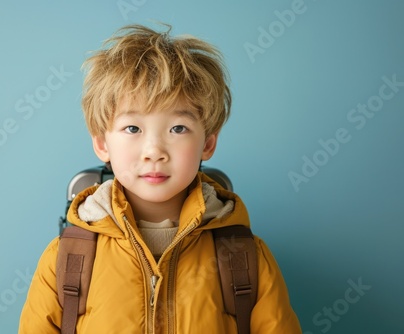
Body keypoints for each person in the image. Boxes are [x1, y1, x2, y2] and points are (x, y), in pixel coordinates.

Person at [18, 23, 302, 333]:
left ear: (207, 143)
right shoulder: (67, 260)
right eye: (133, 128)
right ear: (102, 143)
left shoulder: (246, 259)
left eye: (178, 128)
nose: (154, 151)